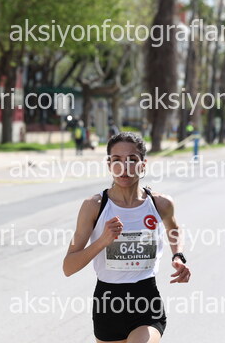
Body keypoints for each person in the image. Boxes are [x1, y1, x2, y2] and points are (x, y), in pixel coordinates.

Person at [63, 132, 191, 343]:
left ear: (143, 164)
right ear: (109, 165)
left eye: (132, 159)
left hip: (146, 302)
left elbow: (174, 229)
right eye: (117, 160)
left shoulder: (160, 204)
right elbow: (68, 267)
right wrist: (103, 241)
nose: (124, 167)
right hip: (107, 305)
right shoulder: (94, 207)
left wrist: (178, 256)